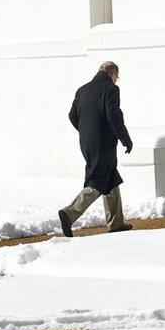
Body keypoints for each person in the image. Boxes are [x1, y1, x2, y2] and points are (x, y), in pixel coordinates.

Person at [58, 61, 134, 237]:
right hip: (103, 143)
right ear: (111, 73)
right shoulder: (111, 89)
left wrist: (86, 131)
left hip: (87, 142)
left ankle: (116, 222)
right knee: (98, 181)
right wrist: (125, 139)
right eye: (116, 77)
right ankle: (69, 213)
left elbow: (72, 115)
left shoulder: (82, 90)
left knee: (111, 177)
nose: (116, 80)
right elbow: (113, 115)